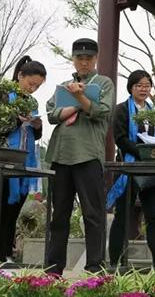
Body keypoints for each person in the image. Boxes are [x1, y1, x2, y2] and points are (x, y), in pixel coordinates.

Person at [45, 38, 114, 275]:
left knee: (93, 214)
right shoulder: (64, 86)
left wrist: (81, 99)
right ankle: (53, 268)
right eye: (79, 58)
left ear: (95, 59)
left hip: (88, 155)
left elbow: (102, 111)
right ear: (73, 60)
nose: (84, 62)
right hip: (61, 155)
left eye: (88, 58)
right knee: (59, 215)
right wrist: (77, 102)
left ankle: (94, 267)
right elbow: (52, 113)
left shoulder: (103, 83)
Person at [0, 56, 46, 262]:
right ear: (20, 76)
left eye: (37, 86)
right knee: (2, 209)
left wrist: (37, 126)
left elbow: (36, 135)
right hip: (3, 157)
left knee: (14, 210)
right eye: (31, 83)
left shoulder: (31, 102)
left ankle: (7, 253)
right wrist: (15, 120)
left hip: (25, 159)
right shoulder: (1, 95)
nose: (33, 89)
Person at [106, 70, 155, 272]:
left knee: (153, 216)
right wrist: (143, 152)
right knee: (122, 216)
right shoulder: (122, 109)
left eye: (147, 85)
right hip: (128, 169)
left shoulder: (154, 112)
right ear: (131, 88)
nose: (143, 89)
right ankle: (114, 262)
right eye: (139, 85)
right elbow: (120, 138)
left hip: (150, 171)